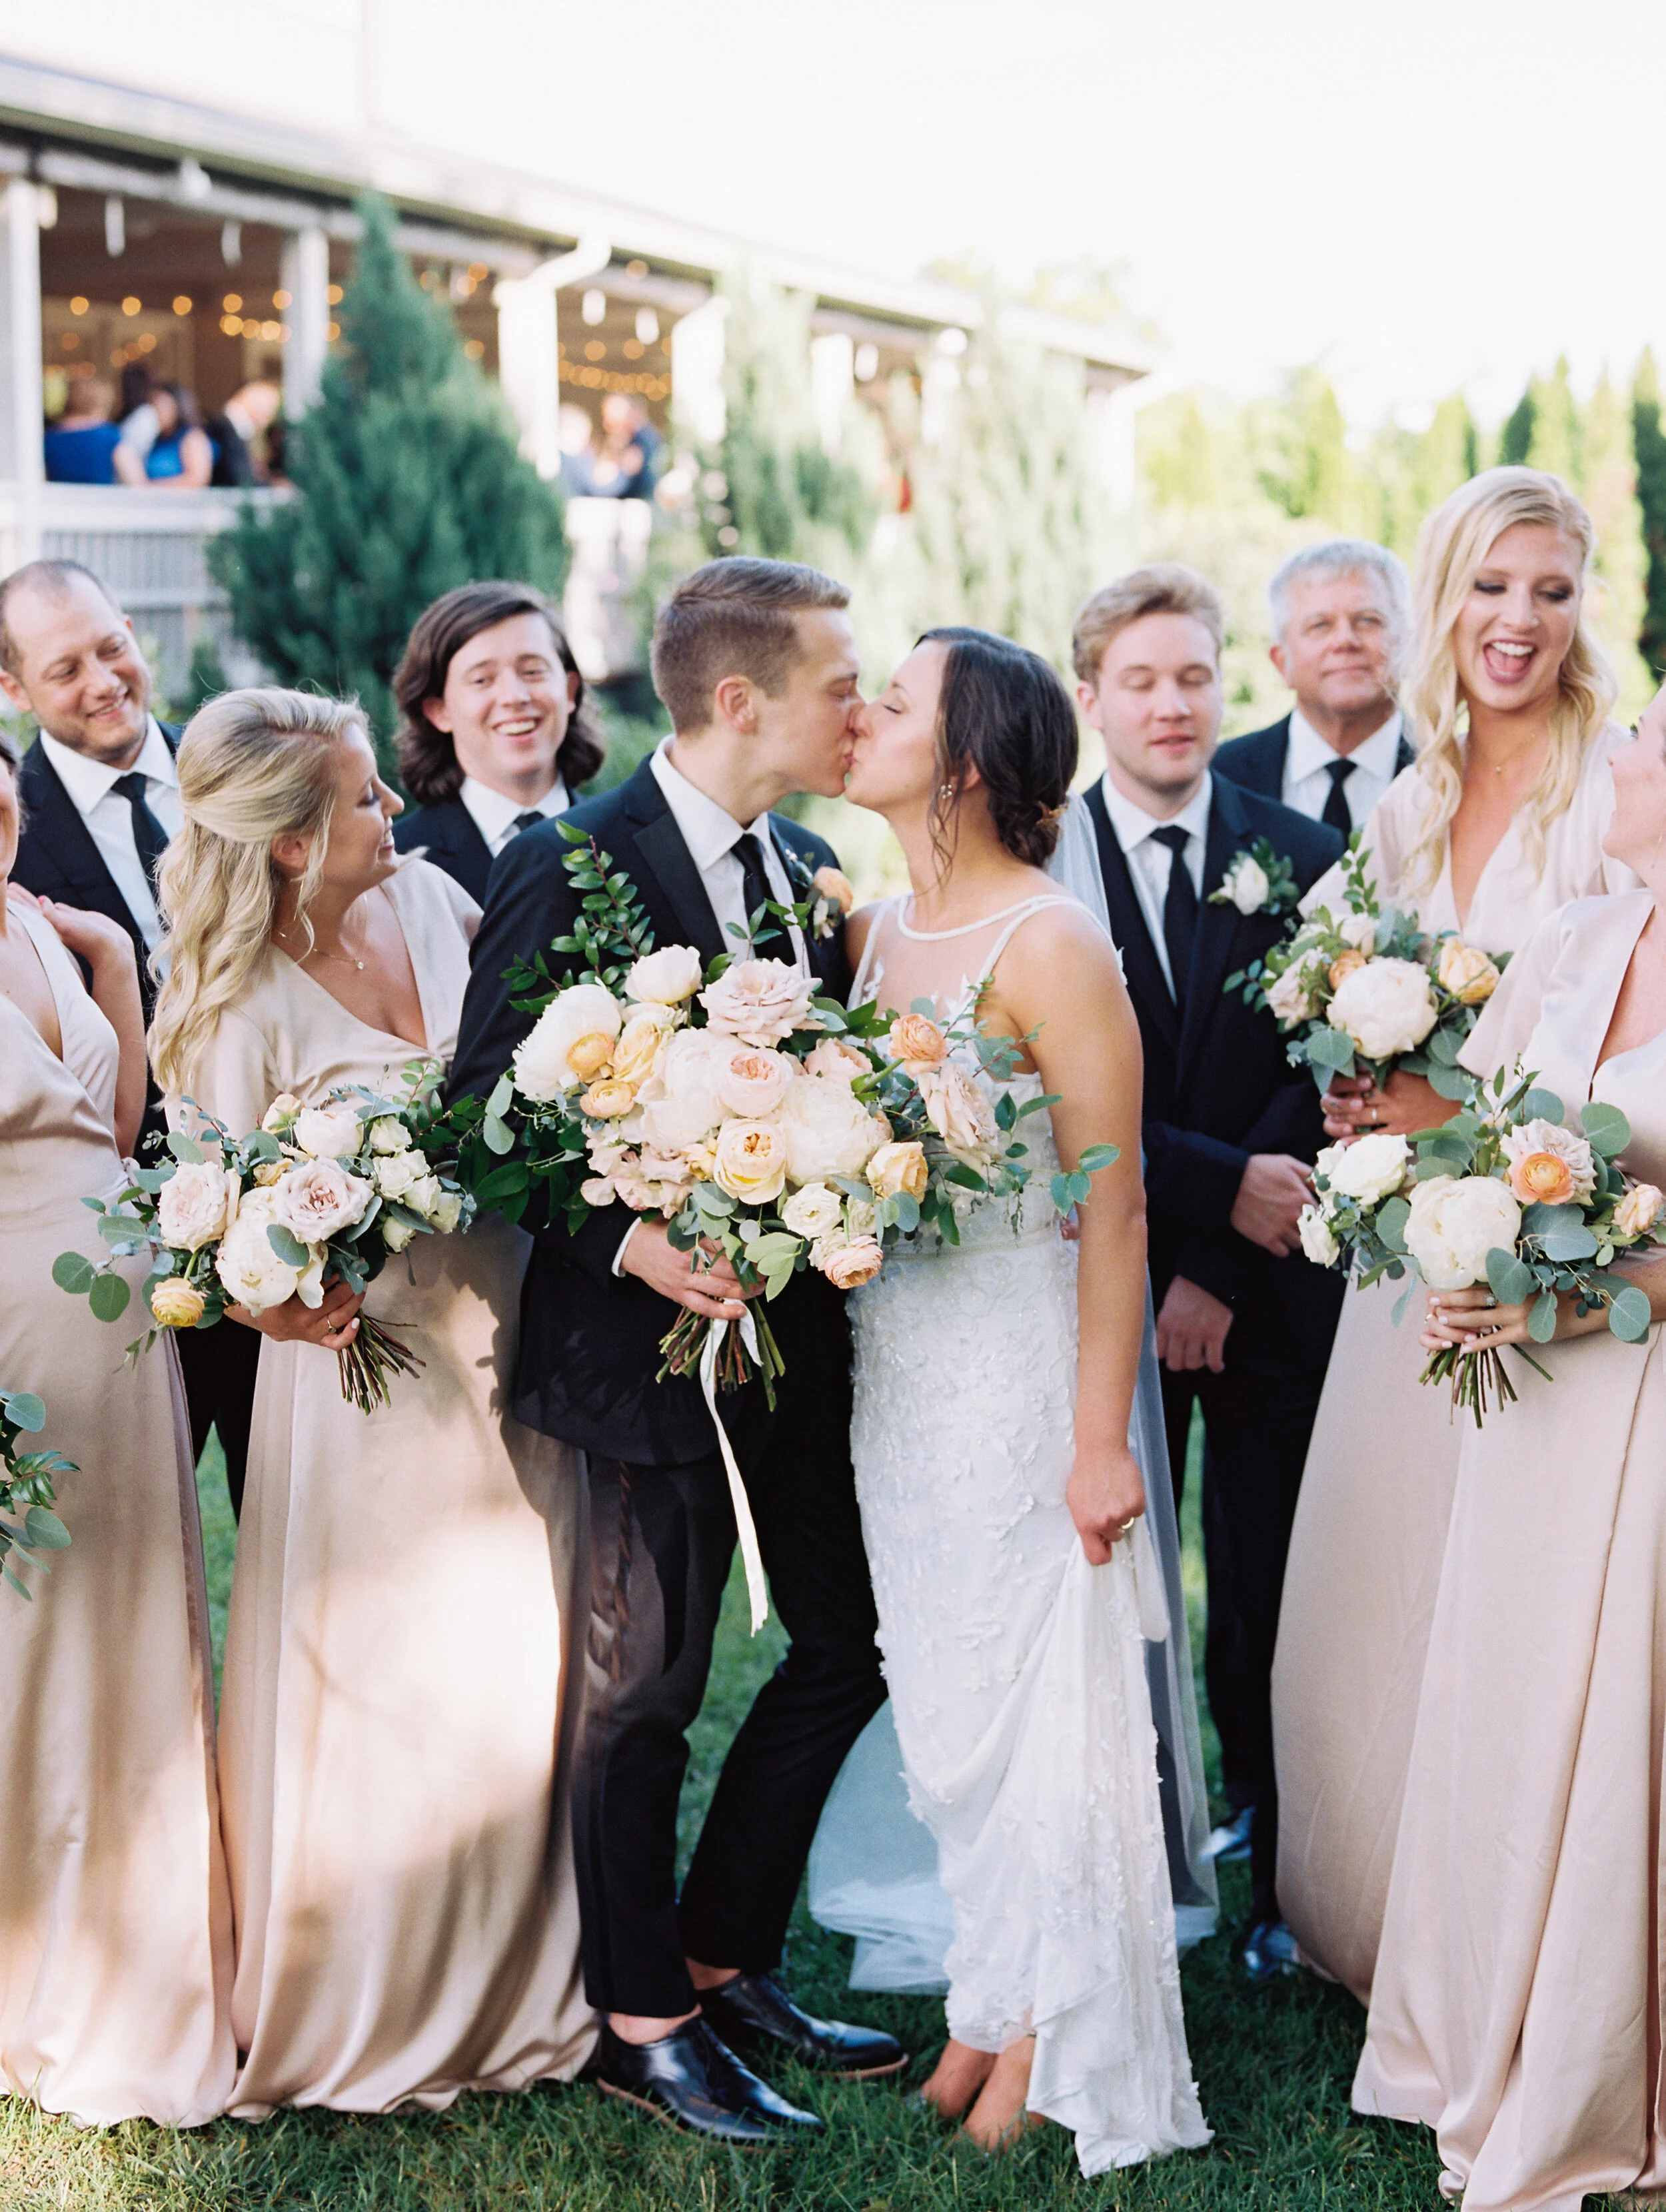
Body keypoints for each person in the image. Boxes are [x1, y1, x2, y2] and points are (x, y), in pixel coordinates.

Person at [448, 556, 902, 2146]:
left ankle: (720, 1952)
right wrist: (638, 1241)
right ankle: (642, 2020)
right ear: (740, 700)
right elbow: (480, 1111)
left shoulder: (806, 867)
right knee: (645, 1692)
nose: (862, 705)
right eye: (840, 683)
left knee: (850, 1640)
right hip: (636, 1360)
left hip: (798, 1342)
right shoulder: (577, 861)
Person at [148, 688, 593, 2116]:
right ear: (286, 843)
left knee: (518, 1660)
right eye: (361, 801)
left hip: (507, 1337)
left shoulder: (441, 902)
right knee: (393, 1675)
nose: (394, 813)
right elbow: (208, 1221)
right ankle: (370, 2000)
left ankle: (526, 1975)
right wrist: (274, 1292)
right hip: (363, 1381)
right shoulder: (232, 1002)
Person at [823, 626, 1210, 2171]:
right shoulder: (863, 935)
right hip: (898, 1368)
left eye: (895, 702)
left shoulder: (1049, 945)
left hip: (1020, 1369)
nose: (861, 714)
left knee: (1036, 1697)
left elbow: (1111, 1208)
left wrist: (1101, 1435)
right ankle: (985, 1995)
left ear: (968, 761)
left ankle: (1050, 2020)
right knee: (944, 1700)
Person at [1271, 467, 1637, 2006]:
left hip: (1532, 1257)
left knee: (1496, 1608)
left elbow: (1618, 1044)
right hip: (1396, 1253)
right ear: (1449, 599)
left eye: (1552, 592)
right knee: (1366, 1581)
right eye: (1493, 586)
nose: (1520, 622)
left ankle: (1491, 1948)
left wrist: (1446, 1112)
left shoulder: (1614, 787)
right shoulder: (1404, 801)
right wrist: (1359, 1078)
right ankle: (1361, 1915)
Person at [1353, 694, 1666, 2210]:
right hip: (1526, 1412)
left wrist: (1588, 1287)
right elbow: (1479, 1134)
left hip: (1646, 1408)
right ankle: (1484, 2027)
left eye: (1649, 743)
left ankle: (1604, 2069)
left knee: (1625, 1723)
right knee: (1508, 1694)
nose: (1617, 758)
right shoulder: (1577, 939)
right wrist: (1458, 1245)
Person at [1049, 564, 1345, 1981]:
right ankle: (1134, 1864)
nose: (1172, 705)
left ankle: (1285, 1857)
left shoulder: (1299, 852)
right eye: (1142, 681)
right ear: (1088, 697)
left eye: (1193, 678)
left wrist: (1222, 1253)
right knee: (1115, 1587)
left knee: (1274, 1581)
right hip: (1094, 1289)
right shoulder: (1042, 861)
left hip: (1275, 1286)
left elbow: (1326, 1066)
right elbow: (1050, 1091)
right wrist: (1196, 1204)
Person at [0, 729, 234, 2125]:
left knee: (139, 1617)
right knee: (30, 1631)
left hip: (119, 1309)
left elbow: (117, 1123)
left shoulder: (47, 923)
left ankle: (134, 1945)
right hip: (11, 1323)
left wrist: (113, 981)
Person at [0, 559, 260, 1516]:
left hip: (289, 1217)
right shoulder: (7, 825)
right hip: (118, 1255)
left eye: (113, 646)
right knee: (128, 1534)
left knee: (295, 1522)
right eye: (65, 668)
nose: (104, 680)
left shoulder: (239, 776)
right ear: (13, 689)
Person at [392, 581, 604, 904]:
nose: (514, 697)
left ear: (570, 690)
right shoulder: (398, 864)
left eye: (533, 671)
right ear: (439, 711)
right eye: (482, 680)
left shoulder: (628, 841)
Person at [1214, 540, 1415, 832]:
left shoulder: (1455, 772)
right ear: (1281, 662)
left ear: (1408, 646)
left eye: (1368, 621)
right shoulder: (1221, 777)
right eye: (1320, 625)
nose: (1345, 641)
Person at [116, 382, 213, 490]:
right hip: (155, 502)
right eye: (154, 405)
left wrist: (150, 488)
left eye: (162, 405)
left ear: (178, 406)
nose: (157, 411)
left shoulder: (192, 437)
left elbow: (197, 480)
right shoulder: (155, 440)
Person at [43, 375, 123, 484]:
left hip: (61, 500)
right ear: (100, 404)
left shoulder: (49, 439)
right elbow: (136, 483)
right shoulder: (108, 436)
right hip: (99, 500)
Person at [205, 380, 281, 488]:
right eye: (270, 406)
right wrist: (273, 487)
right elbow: (238, 479)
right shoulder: (225, 429)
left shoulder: (236, 430)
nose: (271, 414)